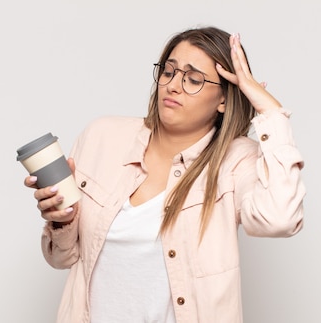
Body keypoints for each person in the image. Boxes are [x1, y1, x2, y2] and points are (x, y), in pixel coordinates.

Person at [23, 25, 306, 323]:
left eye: (193, 79)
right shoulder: (102, 136)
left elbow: (280, 219)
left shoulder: (236, 160)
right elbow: (61, 259)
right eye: (168, 72)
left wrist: (270, 112)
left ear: (224, 100)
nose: (173, 85)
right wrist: (61, 220)